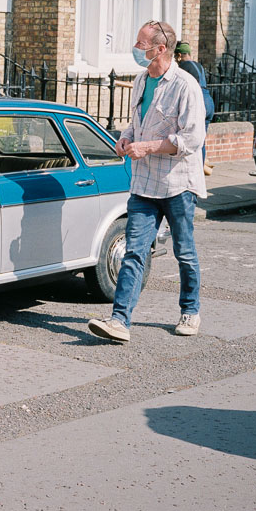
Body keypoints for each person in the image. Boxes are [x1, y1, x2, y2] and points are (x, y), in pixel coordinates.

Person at [88, 20, 206, 343]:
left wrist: (148, 147)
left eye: (142, 45)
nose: (137, 50)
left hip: (177, 185)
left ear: (161, 49)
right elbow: (136, 124)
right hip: (144, 185)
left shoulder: (186, 87)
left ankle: (190, 310)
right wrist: (125, 139)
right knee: (134, 252)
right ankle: (119, 321)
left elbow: (191, 140)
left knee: (184, 251)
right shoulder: (141, 80)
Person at [174, 42, 215, 175]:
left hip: (198, 102)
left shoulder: (182, 68)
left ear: (179, 55)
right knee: (200, 139)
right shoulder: (199, 66)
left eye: (175, 57)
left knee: (193, 139)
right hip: (208, 100)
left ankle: (195, 172)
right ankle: (200, 170)